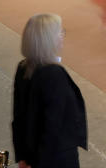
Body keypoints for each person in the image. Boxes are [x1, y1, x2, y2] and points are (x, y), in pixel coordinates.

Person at [12, 13, 88, 168]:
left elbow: (19, 118)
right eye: (59, 32)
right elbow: (52, 125)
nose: (62, 36)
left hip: (31, 153)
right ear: (48, 39)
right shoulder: (53, 74)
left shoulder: (23, 68)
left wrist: (23, 157)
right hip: (56, 158)